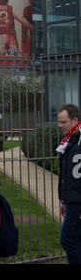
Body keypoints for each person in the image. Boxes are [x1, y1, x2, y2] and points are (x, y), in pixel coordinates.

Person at [57, 103, 81, 264]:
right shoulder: (70, 139)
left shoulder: (78, 139)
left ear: (74, 120)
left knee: (67, 239)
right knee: (77, 237)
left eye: (64, 122)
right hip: (72, 199)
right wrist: (64, 200)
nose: (60, 126)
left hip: (78, 200)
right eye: (59, 122)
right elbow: (67, 174)